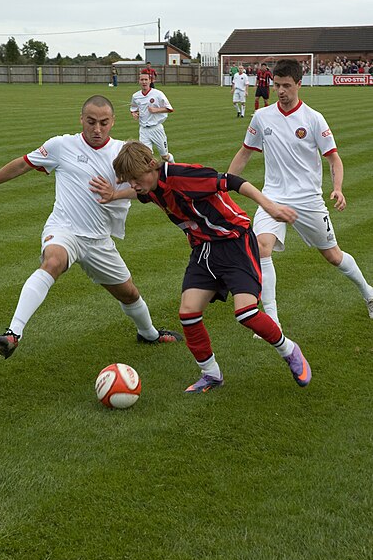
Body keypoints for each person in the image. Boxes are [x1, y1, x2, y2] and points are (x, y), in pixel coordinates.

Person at [90, 140, 312, 393]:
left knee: (246, 313)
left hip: (235, 243)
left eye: (134, 178)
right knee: (188, 313)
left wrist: (270, 206)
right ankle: (211, 374)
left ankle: (289, 350)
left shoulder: (183, 176)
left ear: (152, 165)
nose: (133, 185)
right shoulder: (149, 185)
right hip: (204, 250)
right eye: (128, 180)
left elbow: (232, 181)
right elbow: (140, 192)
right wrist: (115, 195)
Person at [0, 95, 182, 359]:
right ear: (81, 119)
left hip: (99, 240)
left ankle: (149, 334)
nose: (97, 129)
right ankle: (13, 333)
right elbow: (22, 164)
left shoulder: (123, 152)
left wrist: (114, 194)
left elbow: (147, 186)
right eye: (91, 122)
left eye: (104, 123)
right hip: (65, 230)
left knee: (129, 294)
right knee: (53, 261)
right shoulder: (61, 146)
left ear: (113, 122)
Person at [228, 58, 373, 329]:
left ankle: (369, 293)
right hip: (272, 196)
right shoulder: (261, 117)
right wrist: (225, 183)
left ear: (298, 84)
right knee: (262, 248)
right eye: (276, 85)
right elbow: (245, 153)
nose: (280, 91)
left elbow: (333, 159)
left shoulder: (313, 119)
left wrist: (338, 188)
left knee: (333, 256)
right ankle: (272, 320)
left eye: (286, 85)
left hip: (308, 199)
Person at [130, 72, 175, 163]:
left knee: (165, 156)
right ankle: (152, 176)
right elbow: (133, 109)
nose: (144, 82)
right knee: (146, 157)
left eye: (146, 79)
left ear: (150, 81)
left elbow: (170, 109)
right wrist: (134, 114)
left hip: (156, 129)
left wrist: (156, 110)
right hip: (143, 130)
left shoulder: (158, 94)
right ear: (139, 81)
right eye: (142, 80)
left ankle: (174, 166)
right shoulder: (136, 96)